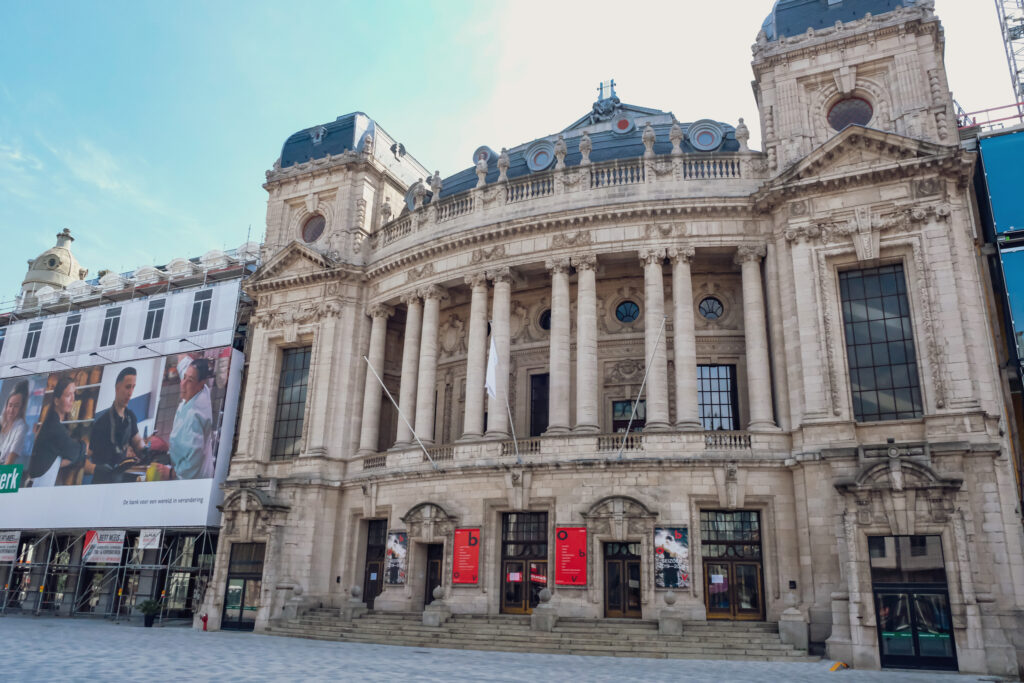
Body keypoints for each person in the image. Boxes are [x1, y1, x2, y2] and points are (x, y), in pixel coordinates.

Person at [87, 367, 146, 484]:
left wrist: (146, 452)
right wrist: (96, 469)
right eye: (127, 387)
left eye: (133, 387)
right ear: (117, 388)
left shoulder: (130, 417)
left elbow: (138, 441)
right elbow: (83, 458)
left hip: (119, 480)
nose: (130, 393)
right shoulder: (101, 424)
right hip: (100, 482)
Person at [25, 376, 85, 486]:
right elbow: (74, 451)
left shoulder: (50, 422)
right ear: (56, 401)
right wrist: (84, 445)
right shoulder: (55, 428)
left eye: (74, 394)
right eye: (68, 395)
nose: (73, 399)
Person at [166, 357, 215, 480]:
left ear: (201, 383)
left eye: (190, 380)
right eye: (184, 377)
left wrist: (170, 474)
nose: (183, 384)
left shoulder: (194, 416)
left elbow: (193, 461)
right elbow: (184, 363)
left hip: (193, 479)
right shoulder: (203, 390)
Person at [0, 380, 29, 466]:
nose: (11, 410)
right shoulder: (1, 420)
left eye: (16, 406)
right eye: (10, 405)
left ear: (21, 408)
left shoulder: (21, 428)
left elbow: (9, 463)